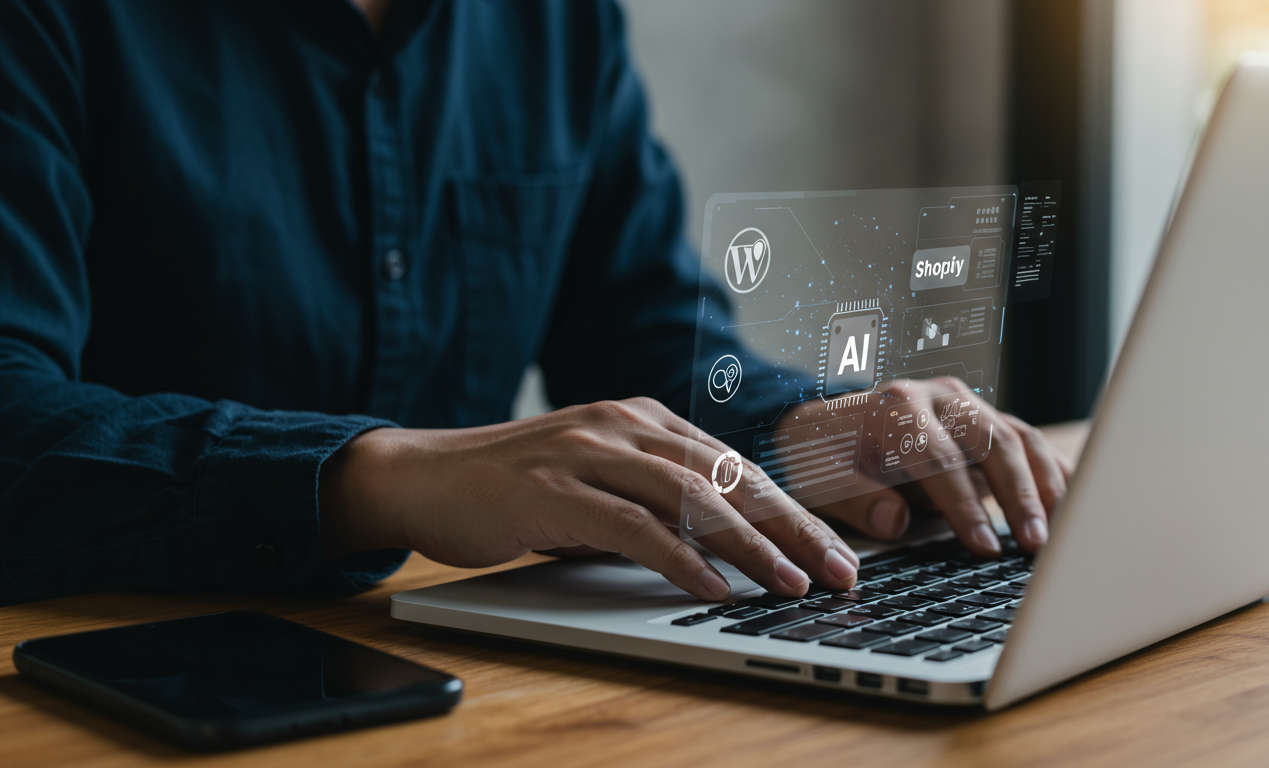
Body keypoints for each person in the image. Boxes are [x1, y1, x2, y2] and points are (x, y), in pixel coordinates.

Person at [0, 0, 1068, 606]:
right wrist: (383, 476)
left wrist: (807, 432)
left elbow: (641, 335)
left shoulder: (556, 22)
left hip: (445, 684)